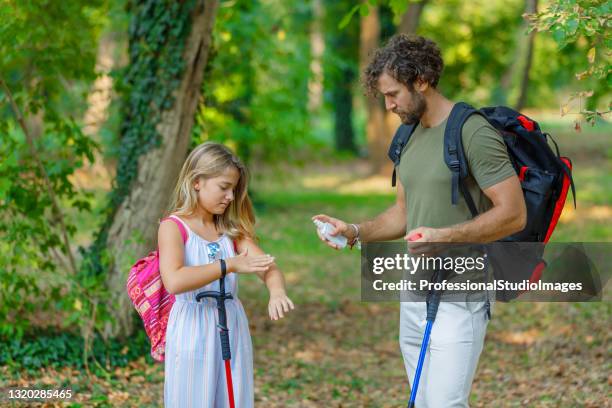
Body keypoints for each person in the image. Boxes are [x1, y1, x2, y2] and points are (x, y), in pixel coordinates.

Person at [313, 34, 526, 407]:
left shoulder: (472, 131)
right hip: (413, 292)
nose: (389, 104)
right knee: (423, 401)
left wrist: (446, 236)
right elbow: (403, 213)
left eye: (394, 93)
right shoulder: (407, 133)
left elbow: (513, 214)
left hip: (461, 296)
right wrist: (355, 232)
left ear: (422, 79)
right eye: (384, 96)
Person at [159, 142, 294, 407]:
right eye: (224, 187)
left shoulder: (231, 231)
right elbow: (174, 281)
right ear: (197, 181)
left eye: (233, 189)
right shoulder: (173, 227)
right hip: (192, 327)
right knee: (192, 398)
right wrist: (228, 265)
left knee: (233, 399)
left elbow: (269, 268)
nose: (231, 196)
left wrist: (276, 292)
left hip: (232, 325)